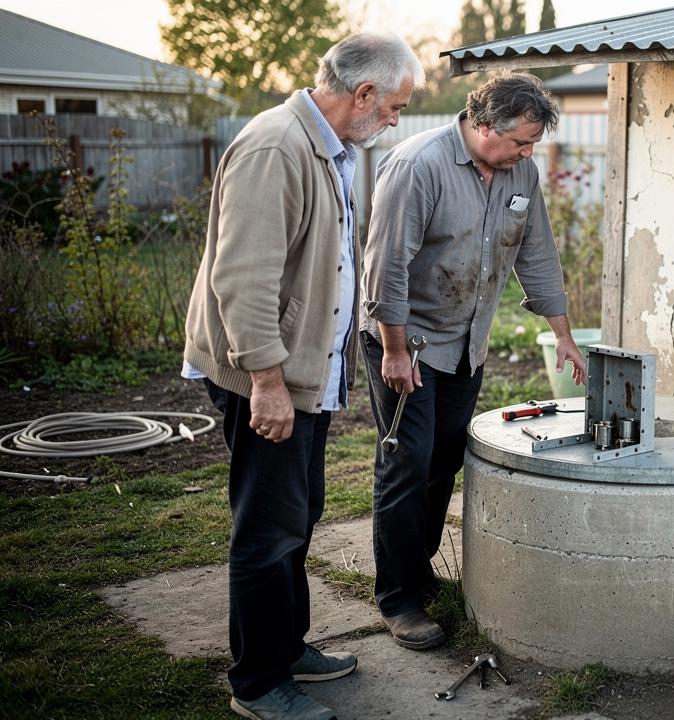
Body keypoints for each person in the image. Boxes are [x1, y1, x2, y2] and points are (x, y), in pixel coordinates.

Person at [182, 33, 420, 720]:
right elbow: (243, 277)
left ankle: (286, 647)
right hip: (266, 375)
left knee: (299, 511)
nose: (397, 119)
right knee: (267, 528)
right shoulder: (275, 146)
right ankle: (257, 681)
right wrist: (267, 380)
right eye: (397, 105)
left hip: (299, 374)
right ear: (364, 93)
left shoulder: (327, 147)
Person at [361, 72, 587, 649]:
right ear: (484, 125)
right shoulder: (419, 165)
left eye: (533, 144)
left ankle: (418, 567)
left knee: (442, 460)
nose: (528, 153)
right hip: (404, 340)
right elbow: (385, 265)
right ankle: (398, 598)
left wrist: (563, 335)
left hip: (466, 343)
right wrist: (392, 348)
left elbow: (536, 253)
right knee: (406, 461)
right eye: (520, 142)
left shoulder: (522, 174)